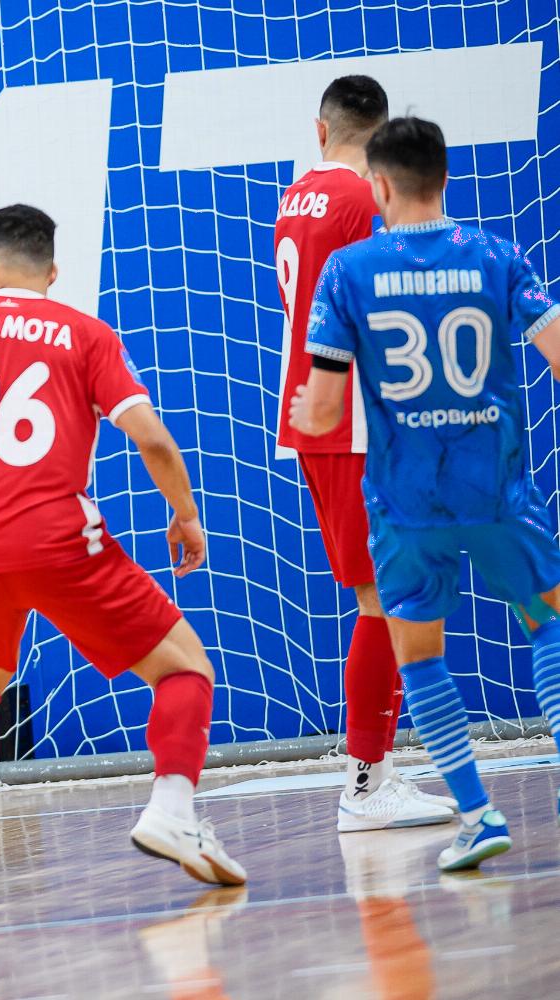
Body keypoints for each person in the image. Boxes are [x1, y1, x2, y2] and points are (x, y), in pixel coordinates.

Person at [0, 204, 247, 903]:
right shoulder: (84, 333)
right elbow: (153, 439)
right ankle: (173, 810)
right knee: (186, 668)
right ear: (52, 272)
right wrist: (185, 513)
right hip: (58, 540)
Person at [291, 116, 560, 870]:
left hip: (407, 504)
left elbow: (323, 408)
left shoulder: (347, 270)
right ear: (444, 178)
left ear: (377, 186)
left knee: (419, 657)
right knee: (547, 624)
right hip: (497, 489)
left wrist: (310, 412)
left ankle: (476, 814)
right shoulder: (496, 255)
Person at [273, 75, 455, 831]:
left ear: (321, 130)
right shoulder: (365, 200)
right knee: (387, 598)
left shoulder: (295, 197)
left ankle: (374, 771)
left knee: (384, 596)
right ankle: (366, 781)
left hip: (315, 422)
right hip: (358, 422)